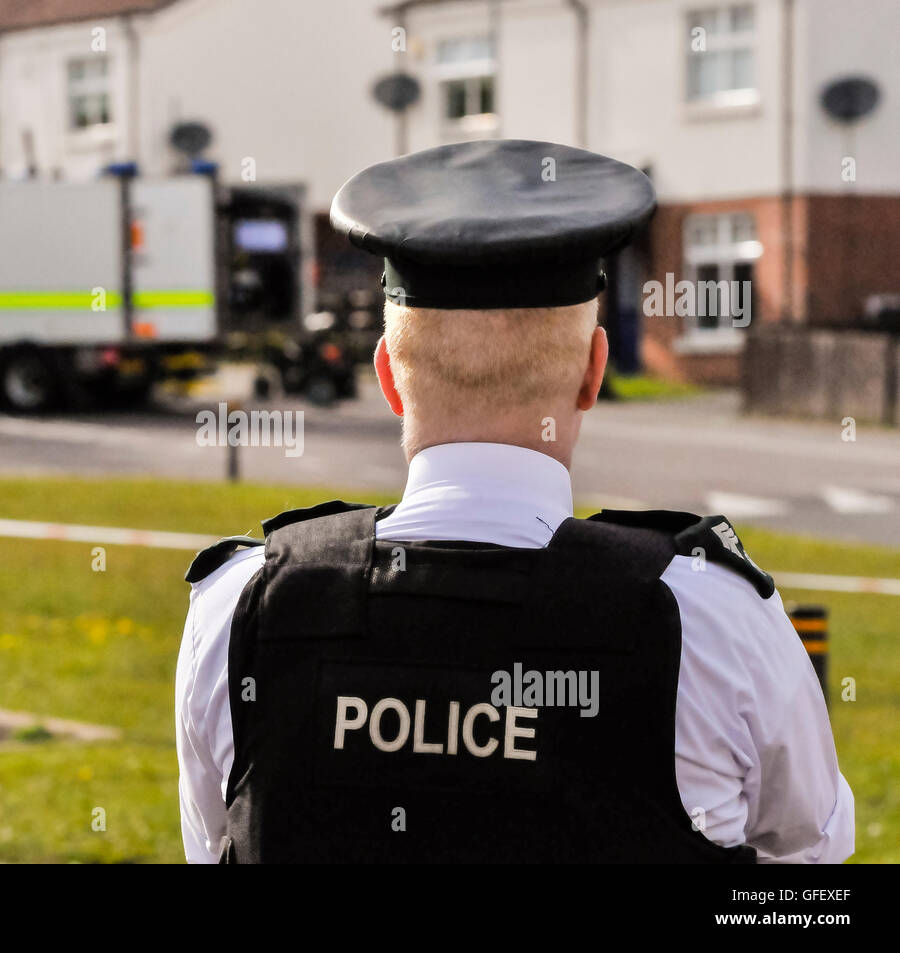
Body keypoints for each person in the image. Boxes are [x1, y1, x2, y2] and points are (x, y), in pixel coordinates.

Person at [175, 139, 853, 863]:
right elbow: (810, 860)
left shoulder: (239, 614)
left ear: (388, 376)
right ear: (594, 372)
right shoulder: (714, 621)